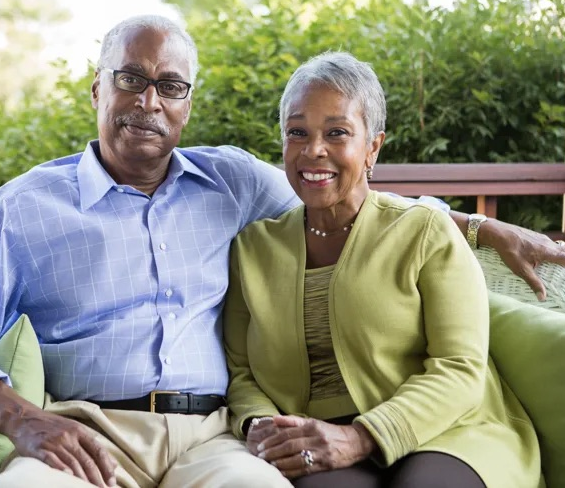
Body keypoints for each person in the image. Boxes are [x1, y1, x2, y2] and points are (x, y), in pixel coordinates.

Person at [0, 16, 565, 487]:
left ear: (187, 104)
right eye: (129, 79)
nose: (148, 101)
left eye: (170, 86)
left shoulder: (227, 181)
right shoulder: (24, 208)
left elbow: (352, 199)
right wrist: (27, 424)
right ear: (96, 90)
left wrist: (483, 228)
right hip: (88, 435)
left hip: (213, 440)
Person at [224, 52, 542, 487]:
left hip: (449, 431)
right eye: (297, 132)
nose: (314, 150)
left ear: (373, 146)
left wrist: (361, 436)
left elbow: (460, 366)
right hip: (317, 439)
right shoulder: (253, 248)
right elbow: (241, 371)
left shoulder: (425, 230)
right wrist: (258, 424)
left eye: (337, 133)